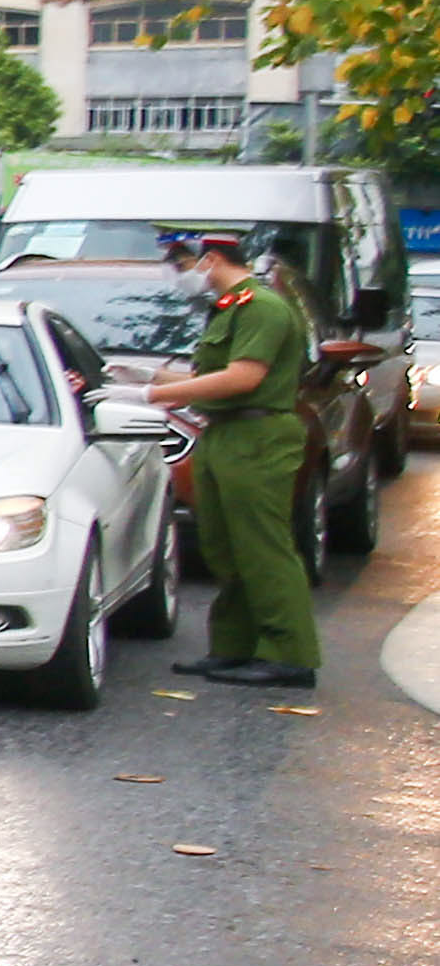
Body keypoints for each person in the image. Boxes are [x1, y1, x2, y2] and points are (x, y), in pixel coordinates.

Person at [152, 229, 320, 689]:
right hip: (225, 433)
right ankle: (233, 647)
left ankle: (289, 655)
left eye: (184, 265)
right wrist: (142, 376)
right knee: (225, 546)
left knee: (263, 546)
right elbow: (210, 374)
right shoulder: (230, 307)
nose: (183, 276)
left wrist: (157, 393)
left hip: (258, 434)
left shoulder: (261, 307)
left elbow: (243, 377)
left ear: (209, 260)